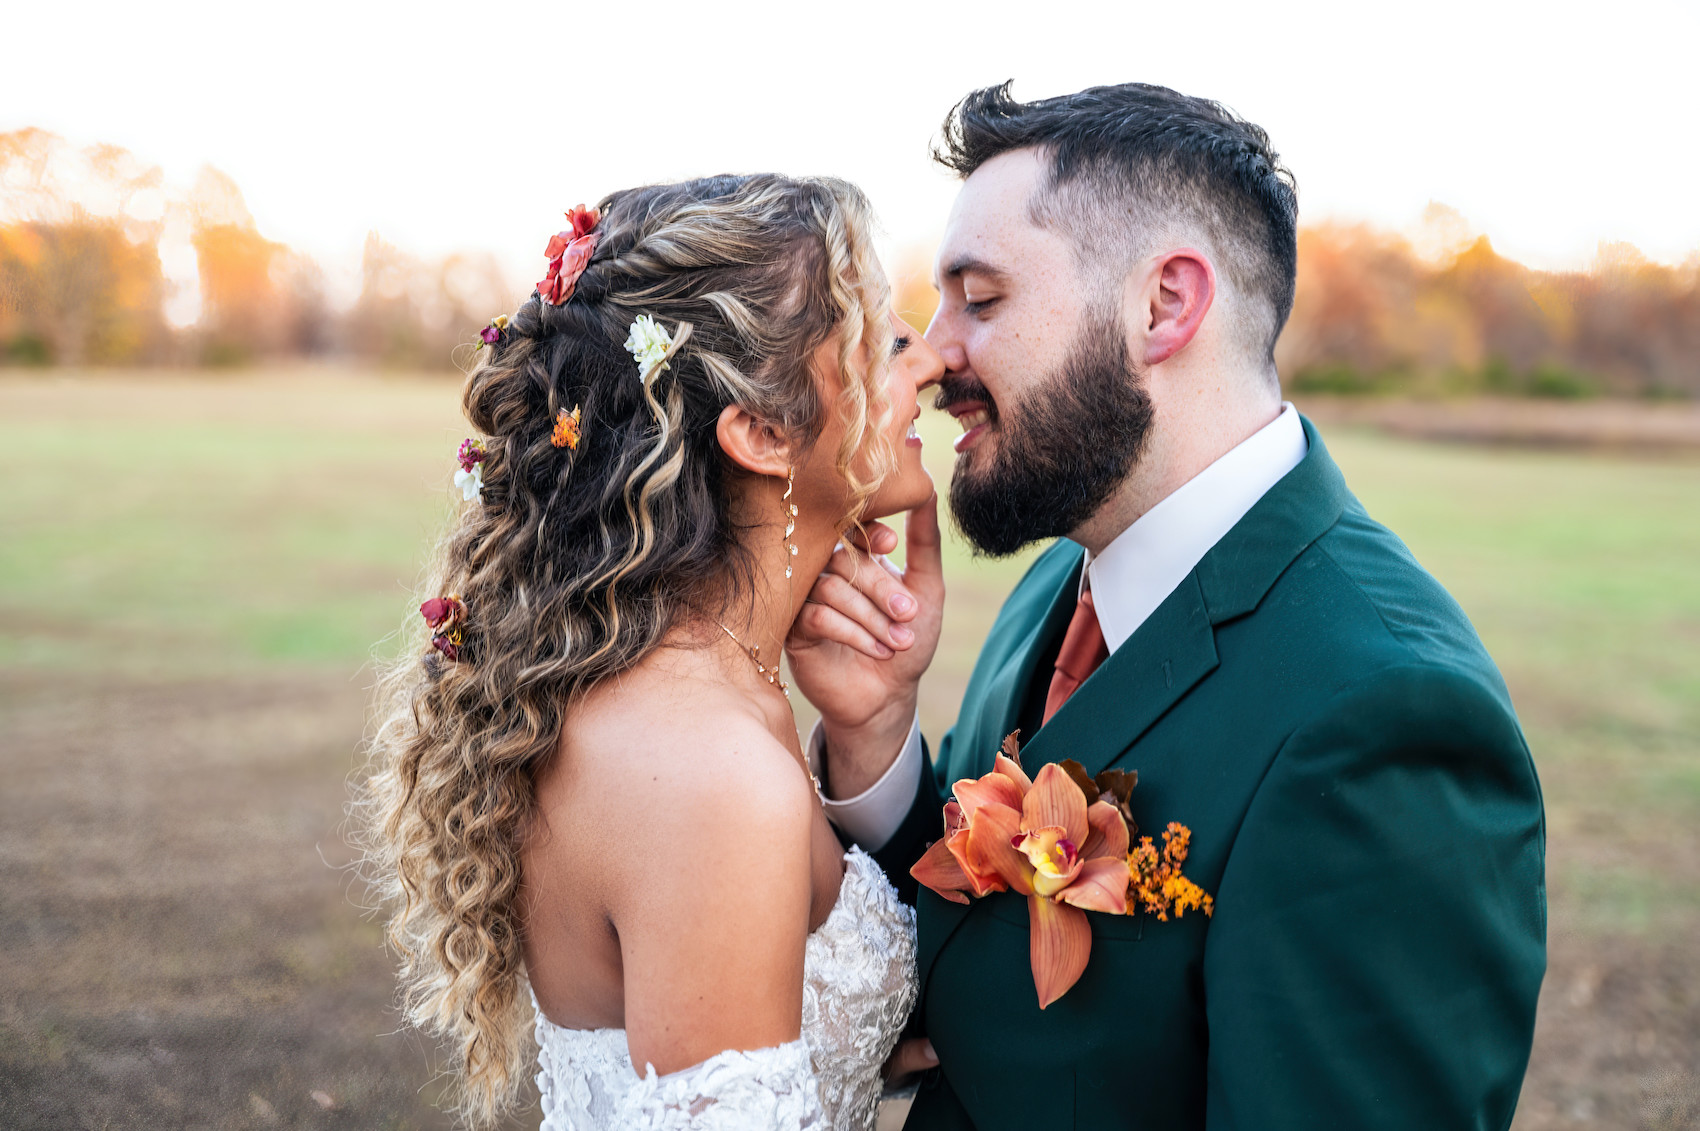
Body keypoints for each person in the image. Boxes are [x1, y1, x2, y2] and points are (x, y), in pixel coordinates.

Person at [788, 82, 1547, 1129]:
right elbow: (982, 961)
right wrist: (874, 738)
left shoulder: (1384, 716)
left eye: (981, 298)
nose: (928, 360)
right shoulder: (1059, 580)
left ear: (1164, 305)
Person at [361, 173, 946, 1130]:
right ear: (760, 431)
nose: (927, 360)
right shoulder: (711, 773)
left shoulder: (693, 688)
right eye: (882, 337)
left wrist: (873, 719)